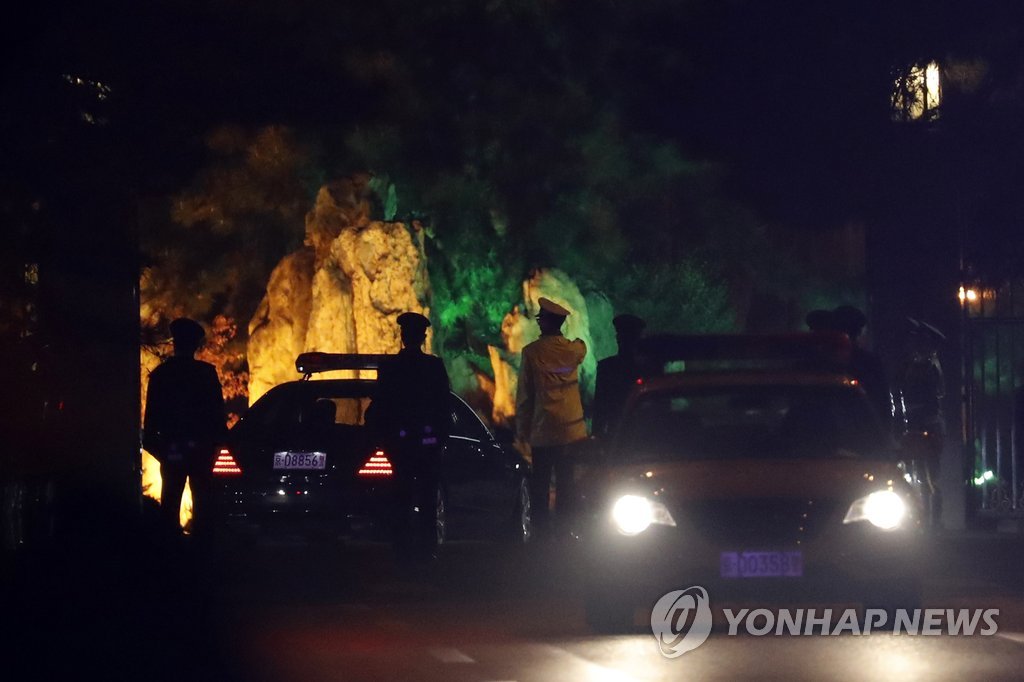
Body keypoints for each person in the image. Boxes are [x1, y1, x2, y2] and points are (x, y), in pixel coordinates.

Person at [369, 311, 451, 557]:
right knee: (428, 497)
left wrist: (383, 436)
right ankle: (427, 548)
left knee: (400, 497)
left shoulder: (390, 368)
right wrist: (439, 437)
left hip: (400, 443)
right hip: (427, 443)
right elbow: (443, 405)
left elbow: (381, 405)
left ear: (402, 337)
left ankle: (401, 548)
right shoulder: (433, 366)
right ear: (423, 338)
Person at [143, 318, 226, 538]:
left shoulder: (161, 375)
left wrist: (162, 451)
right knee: (203, 509)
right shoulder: (206, 374)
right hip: (201, 452)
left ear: (175, 342)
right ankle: (200, 549)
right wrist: (215, 447)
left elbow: (151, 422)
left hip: (173, 450)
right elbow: (218, 416)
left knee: (169, 508)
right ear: (195, 344)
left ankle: (170, 549)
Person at [516, 297, 588, 540]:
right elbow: (582, 346)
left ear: (545, 322)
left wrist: (522, 432)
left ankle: (542, 533)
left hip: (544, 430)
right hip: (571, 433)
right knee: (567, 482)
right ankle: (566, 531)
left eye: (540, 318)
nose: (538, 322)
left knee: (541, 484)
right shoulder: (573, 351)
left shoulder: (531, 353)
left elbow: (525, 396)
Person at [832, 305, 893, 430]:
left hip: (858, 431)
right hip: (862, 431)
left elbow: (882, 402)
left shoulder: (826, 361)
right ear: (859, 332)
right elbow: (883, 403)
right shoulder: (870, 362)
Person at [593, 313, 646, 439]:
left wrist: (597, 435)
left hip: (618, 434)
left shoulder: (607, 367)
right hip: (641, 434)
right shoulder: (647, 368)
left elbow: (600, 408)